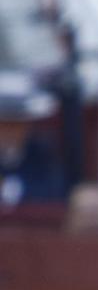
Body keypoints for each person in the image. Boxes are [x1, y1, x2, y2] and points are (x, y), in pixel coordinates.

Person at [0, 71, 65, 209]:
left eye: (16, 122)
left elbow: (53, 196)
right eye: (4, 122)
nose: (9, 130)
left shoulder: (43, 155)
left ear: (27, 124)